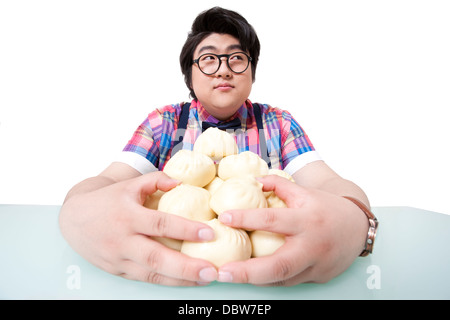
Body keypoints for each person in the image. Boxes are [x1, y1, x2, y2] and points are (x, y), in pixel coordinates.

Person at [59, 6, 376, 287]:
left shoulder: (278, 124)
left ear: (252, 71)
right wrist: (76, 211)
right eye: (209, 59)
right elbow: (109, 181)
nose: (224, 69)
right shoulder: (164, 124)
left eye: (237, 58)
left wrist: (356, 220)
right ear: (190, 73)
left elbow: (327, 183)